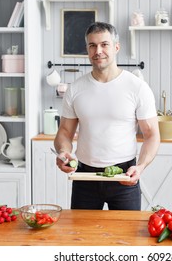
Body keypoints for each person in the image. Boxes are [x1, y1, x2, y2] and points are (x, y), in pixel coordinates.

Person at [53, 21, 160, 210]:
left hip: (124, 176)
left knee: (126, 237)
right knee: (81, 237)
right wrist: (63, 152)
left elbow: (151, 134)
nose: (98, 51)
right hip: (84, 176)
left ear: (116, 47)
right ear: (87, 50)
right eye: (92, 45)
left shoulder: (137, 87)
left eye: (104, 44)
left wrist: (141, 167)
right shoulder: (75, 88)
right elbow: (64, 131)